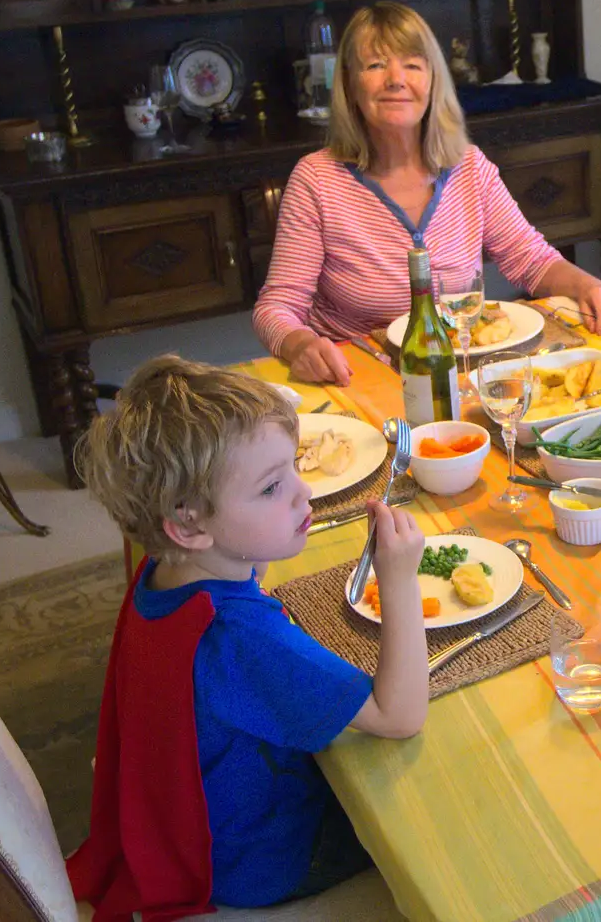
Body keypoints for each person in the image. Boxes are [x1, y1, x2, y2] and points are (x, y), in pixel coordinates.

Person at [66, 355, 429, 918]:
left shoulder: (168, 573)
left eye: (292, 469)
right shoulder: (235, 637)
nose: (303, 494)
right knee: (431, 804)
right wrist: (398, 577)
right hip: (268, 859)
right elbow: (399, 714)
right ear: (187, 526)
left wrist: (262, 519)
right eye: (270, 488)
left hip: (205, 827)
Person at [253, 1, 601, 385]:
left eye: (413, 65)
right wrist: (300, 345)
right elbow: (276, 307)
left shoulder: (469, 166)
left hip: (459, 374)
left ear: (433, 81)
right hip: (359, 378)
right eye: (376, 65)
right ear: (349, 83)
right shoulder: (316, 180)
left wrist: (589, 286)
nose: (396, 79)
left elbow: (530, 258)